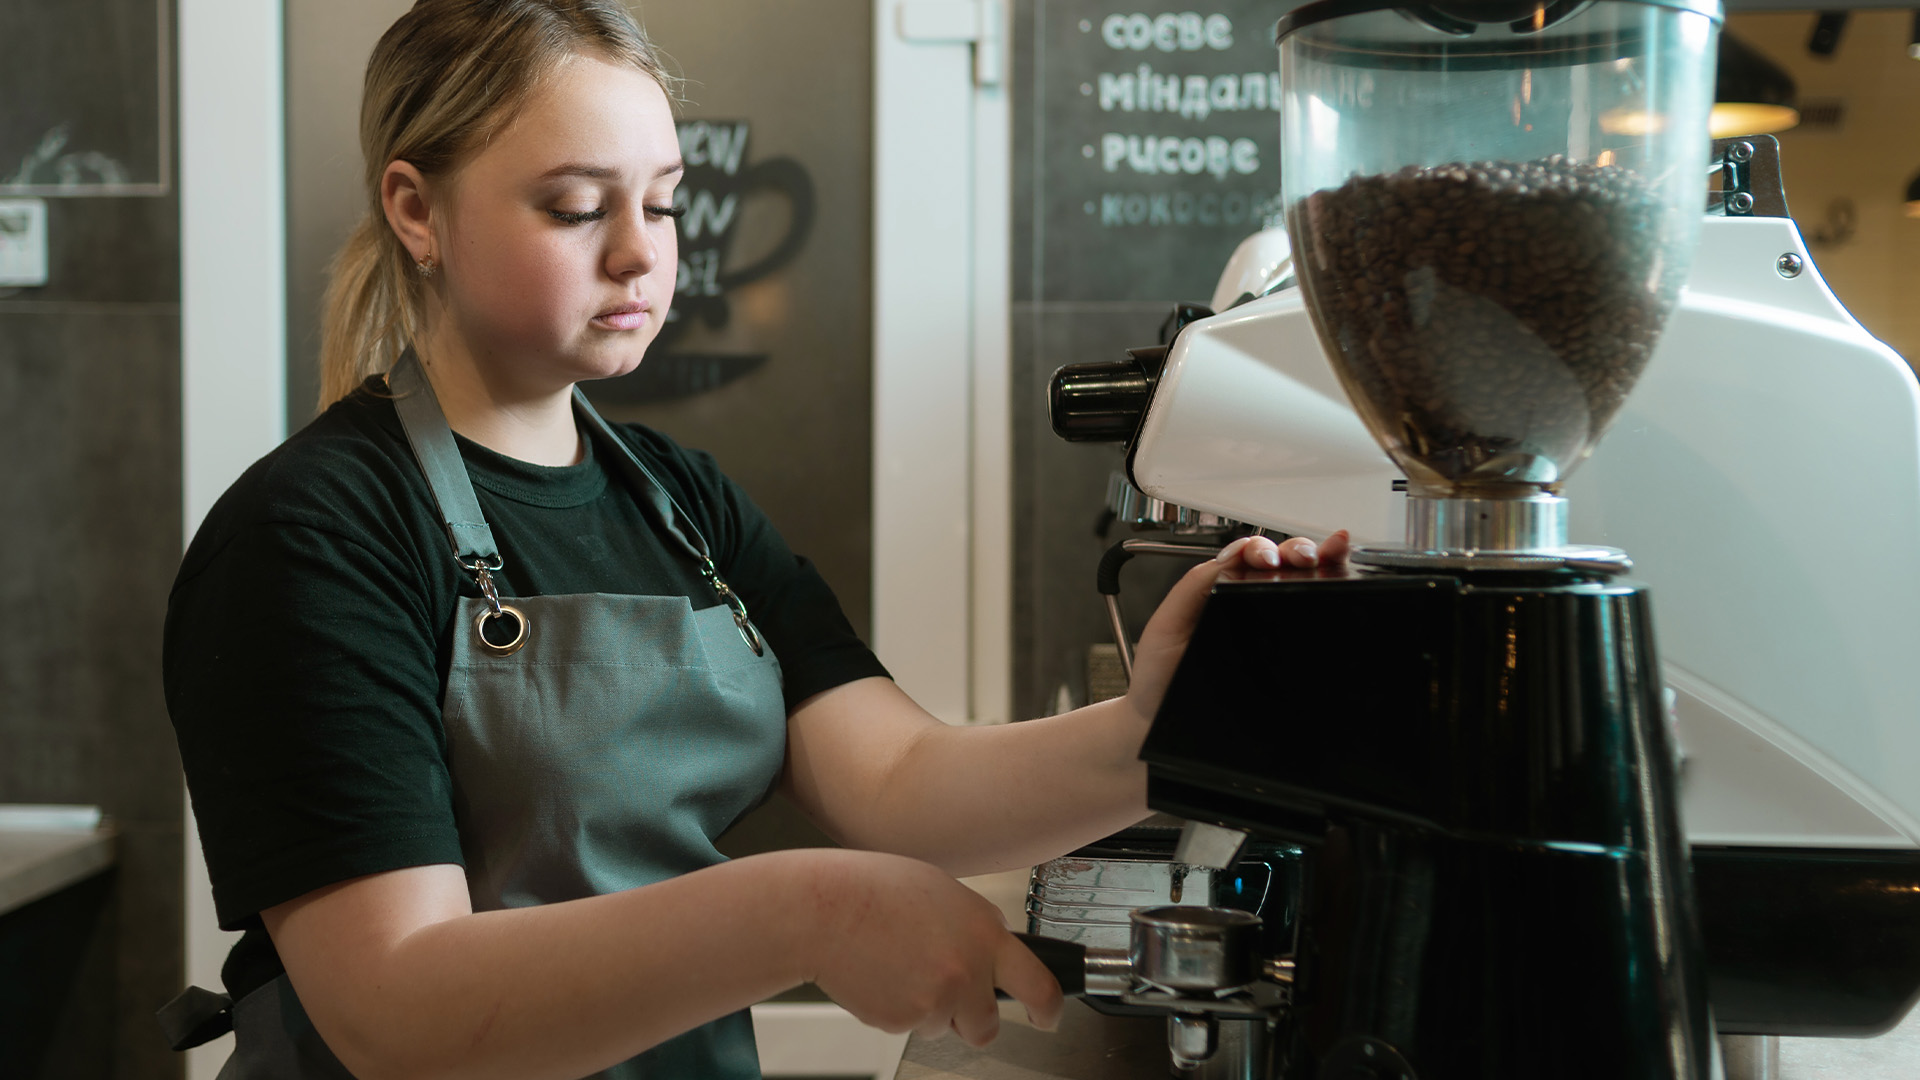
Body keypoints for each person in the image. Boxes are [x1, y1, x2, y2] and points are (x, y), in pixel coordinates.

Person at [162, 3, 1348, 1078]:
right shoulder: (313, 536)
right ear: (416, 209)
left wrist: (1164, 725)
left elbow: (900, 783)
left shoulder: (681, 506)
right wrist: (812, 913)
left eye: (665, 200)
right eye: (576, 207)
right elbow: (399, 1012)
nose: (641, 251)